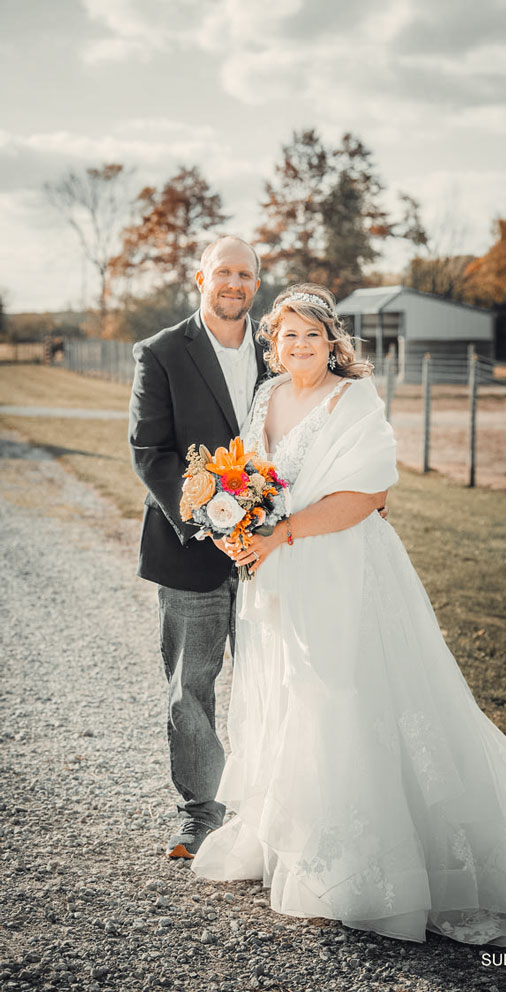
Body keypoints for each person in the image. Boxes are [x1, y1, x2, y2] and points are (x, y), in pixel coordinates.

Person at [191, 283, 506, 989]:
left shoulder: (356, 402)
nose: (299, 349)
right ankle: (298, 848)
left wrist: (282, 530)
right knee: (295, 696)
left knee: (348, 699)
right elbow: (249, 477)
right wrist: (242, 529)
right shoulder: (265, 400)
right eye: (286, 339)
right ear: (272, 344)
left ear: (333, 341)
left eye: (311, 338)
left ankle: (363, 875)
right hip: (282, 574)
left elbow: (370, 494)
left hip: (345, 567)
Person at [128, 235, 266, 859]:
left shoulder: (282, 348)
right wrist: (209, 518)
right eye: (223, 272)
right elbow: (150, 452)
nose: (234, 283)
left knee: (277, 679)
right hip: (190, 549)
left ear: (256, 285)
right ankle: (201, 812)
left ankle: (272, 809)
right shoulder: (160, 353)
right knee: (193, 685)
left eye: (246, 274)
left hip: (272, 550)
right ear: (200, 278)